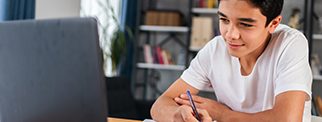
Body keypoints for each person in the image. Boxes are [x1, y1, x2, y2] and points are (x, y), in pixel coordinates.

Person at [150, 0, 312, 122]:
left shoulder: (290, 43)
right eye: (224, 20)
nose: (230, 35)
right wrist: (178, 116)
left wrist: (224, 115)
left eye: (245, 24)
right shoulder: (215, 49)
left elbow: (287, 119)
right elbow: (160, 105)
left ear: (273, 23)